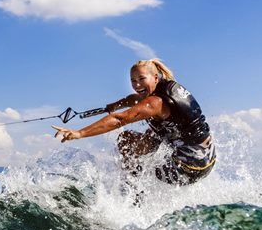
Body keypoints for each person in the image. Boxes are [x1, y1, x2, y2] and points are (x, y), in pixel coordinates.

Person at [52, 58, 216, 186]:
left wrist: (80, 133)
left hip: (188, 169)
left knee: (126, 140)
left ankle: (134, 192)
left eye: (141, 79)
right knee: (151, 133)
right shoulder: (166, 88)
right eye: (133, 80)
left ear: (155, 78)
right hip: (207, 158)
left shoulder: (155, 103)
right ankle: (139, 182)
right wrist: (116, 105)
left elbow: (119, 119)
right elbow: (136, 99)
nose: (136, 85)